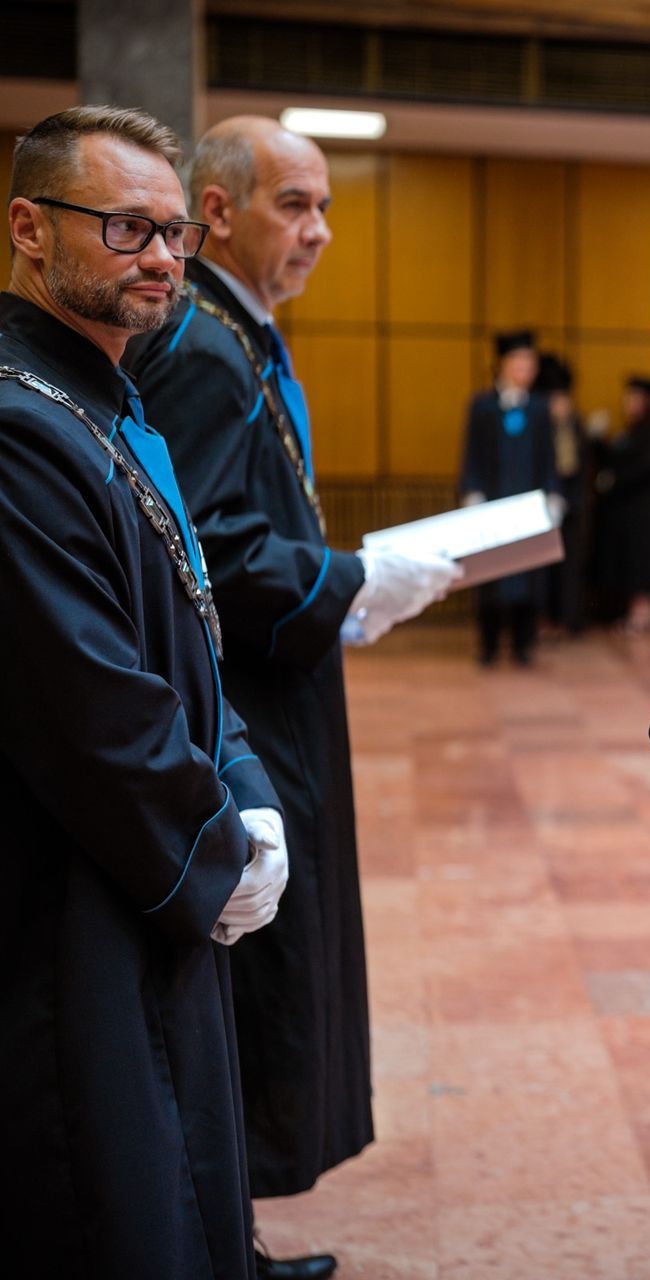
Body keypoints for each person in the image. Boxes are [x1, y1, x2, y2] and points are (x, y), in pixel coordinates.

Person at [120, 114, 456, 1280]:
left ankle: (235, 1236)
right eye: (293, 204)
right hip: (247, 707)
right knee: (254, 971)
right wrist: (349, 580)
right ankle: (228, 1242)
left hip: (274, 688)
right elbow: (205, 544)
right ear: (216, 211)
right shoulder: (207, 348)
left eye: (325, 207)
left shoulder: (235, 335)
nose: (318, 231)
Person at [0, 104, 289, 1280]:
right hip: (70, 890)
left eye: (174, 231)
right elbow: (90, 701)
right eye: (126, 228)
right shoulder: (20, 427)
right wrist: (214, 849)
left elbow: (189, 632)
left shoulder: (102, 401)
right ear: (29, 227)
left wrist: (246, 783)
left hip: (140, 861)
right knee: (111, 1191)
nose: (163, 256)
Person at [459, 329, 560, 666]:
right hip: (493, 501)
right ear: (502, 364)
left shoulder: (540, 408)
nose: (524, 369)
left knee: (528, 572)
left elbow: (548, 458)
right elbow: (471, 454)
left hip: (529, 504)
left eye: (529, 363)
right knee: (490, 573)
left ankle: (523, 644)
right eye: (518, 361)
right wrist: (472, 490)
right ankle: (488, 644)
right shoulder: (482, 406)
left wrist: (553, 495)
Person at [594, 375, 650, 633]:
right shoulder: (631, 431)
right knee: (631, 564)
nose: (628, 404)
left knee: (645, 564)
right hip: (631, 516)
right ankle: (633, 612)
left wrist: (614, 479)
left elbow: (642, 469)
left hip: (649, 517)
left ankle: (643, 615)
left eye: (634, 398)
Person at [539, 352, 590, 635]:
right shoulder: (540, 428)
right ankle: (545, 616)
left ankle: (570, 618)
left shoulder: (575, 425)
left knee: (572, 565)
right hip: (545, 504)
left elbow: (581, 466)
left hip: (573, 504)